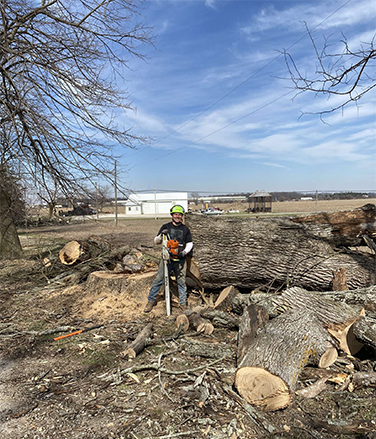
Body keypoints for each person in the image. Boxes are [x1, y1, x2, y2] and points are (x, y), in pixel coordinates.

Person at [144, 205, 193, 313]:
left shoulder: (185, 229)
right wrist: (161, 235)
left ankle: (183, 303)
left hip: (180, 259)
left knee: (181, 281)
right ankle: (151, 301)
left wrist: (184, 252)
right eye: (176, 214)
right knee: (158, 280)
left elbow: (189, 243)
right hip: (167, 258)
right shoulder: (166, 226)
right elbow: (156, 241)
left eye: (180, 215)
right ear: (172, 215)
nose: (178, 216)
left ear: (182, 216)